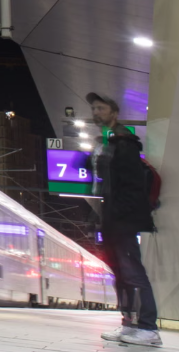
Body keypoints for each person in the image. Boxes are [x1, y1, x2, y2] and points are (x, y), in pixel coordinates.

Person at [89, 91, 161, 348]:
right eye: (94, 108)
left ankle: (149, 328)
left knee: (133, 273)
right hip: (112, 221)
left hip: (123, 222)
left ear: (114, 112)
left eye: (101, 108)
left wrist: (120, 218)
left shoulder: (126, 143)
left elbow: (130, 187)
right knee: (121, 274)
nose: (96, 112)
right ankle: (129, 324)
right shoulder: (107, 143)